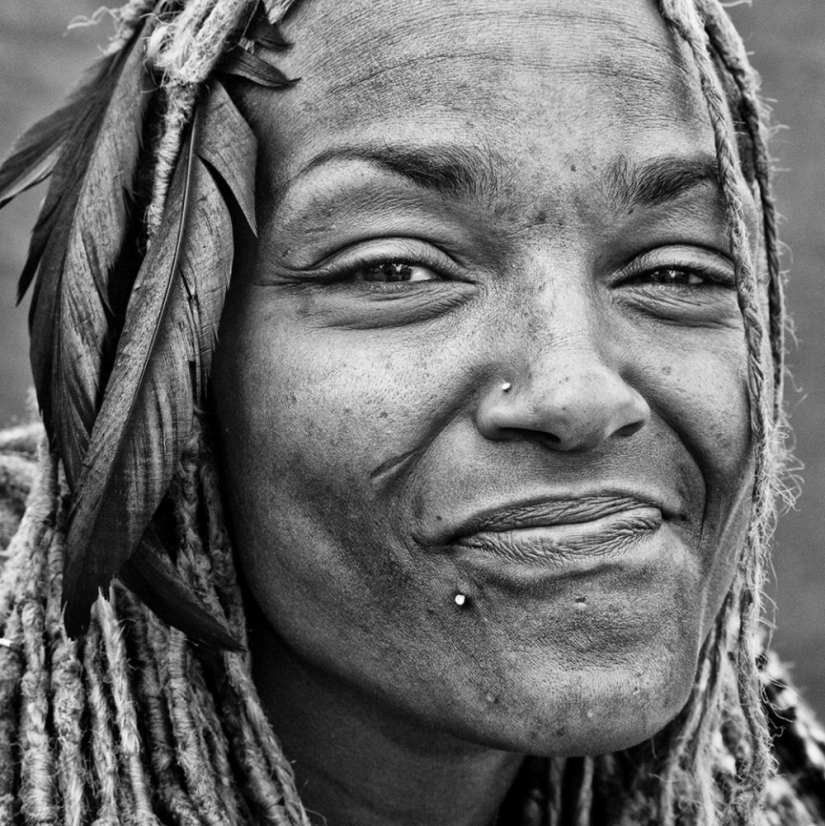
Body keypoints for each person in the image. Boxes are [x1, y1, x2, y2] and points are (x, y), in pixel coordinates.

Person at [1, 0, 824, 824]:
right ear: (163, 359)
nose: (579, 396)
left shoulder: (766, 782)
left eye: (675, 272)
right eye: (394, 269)